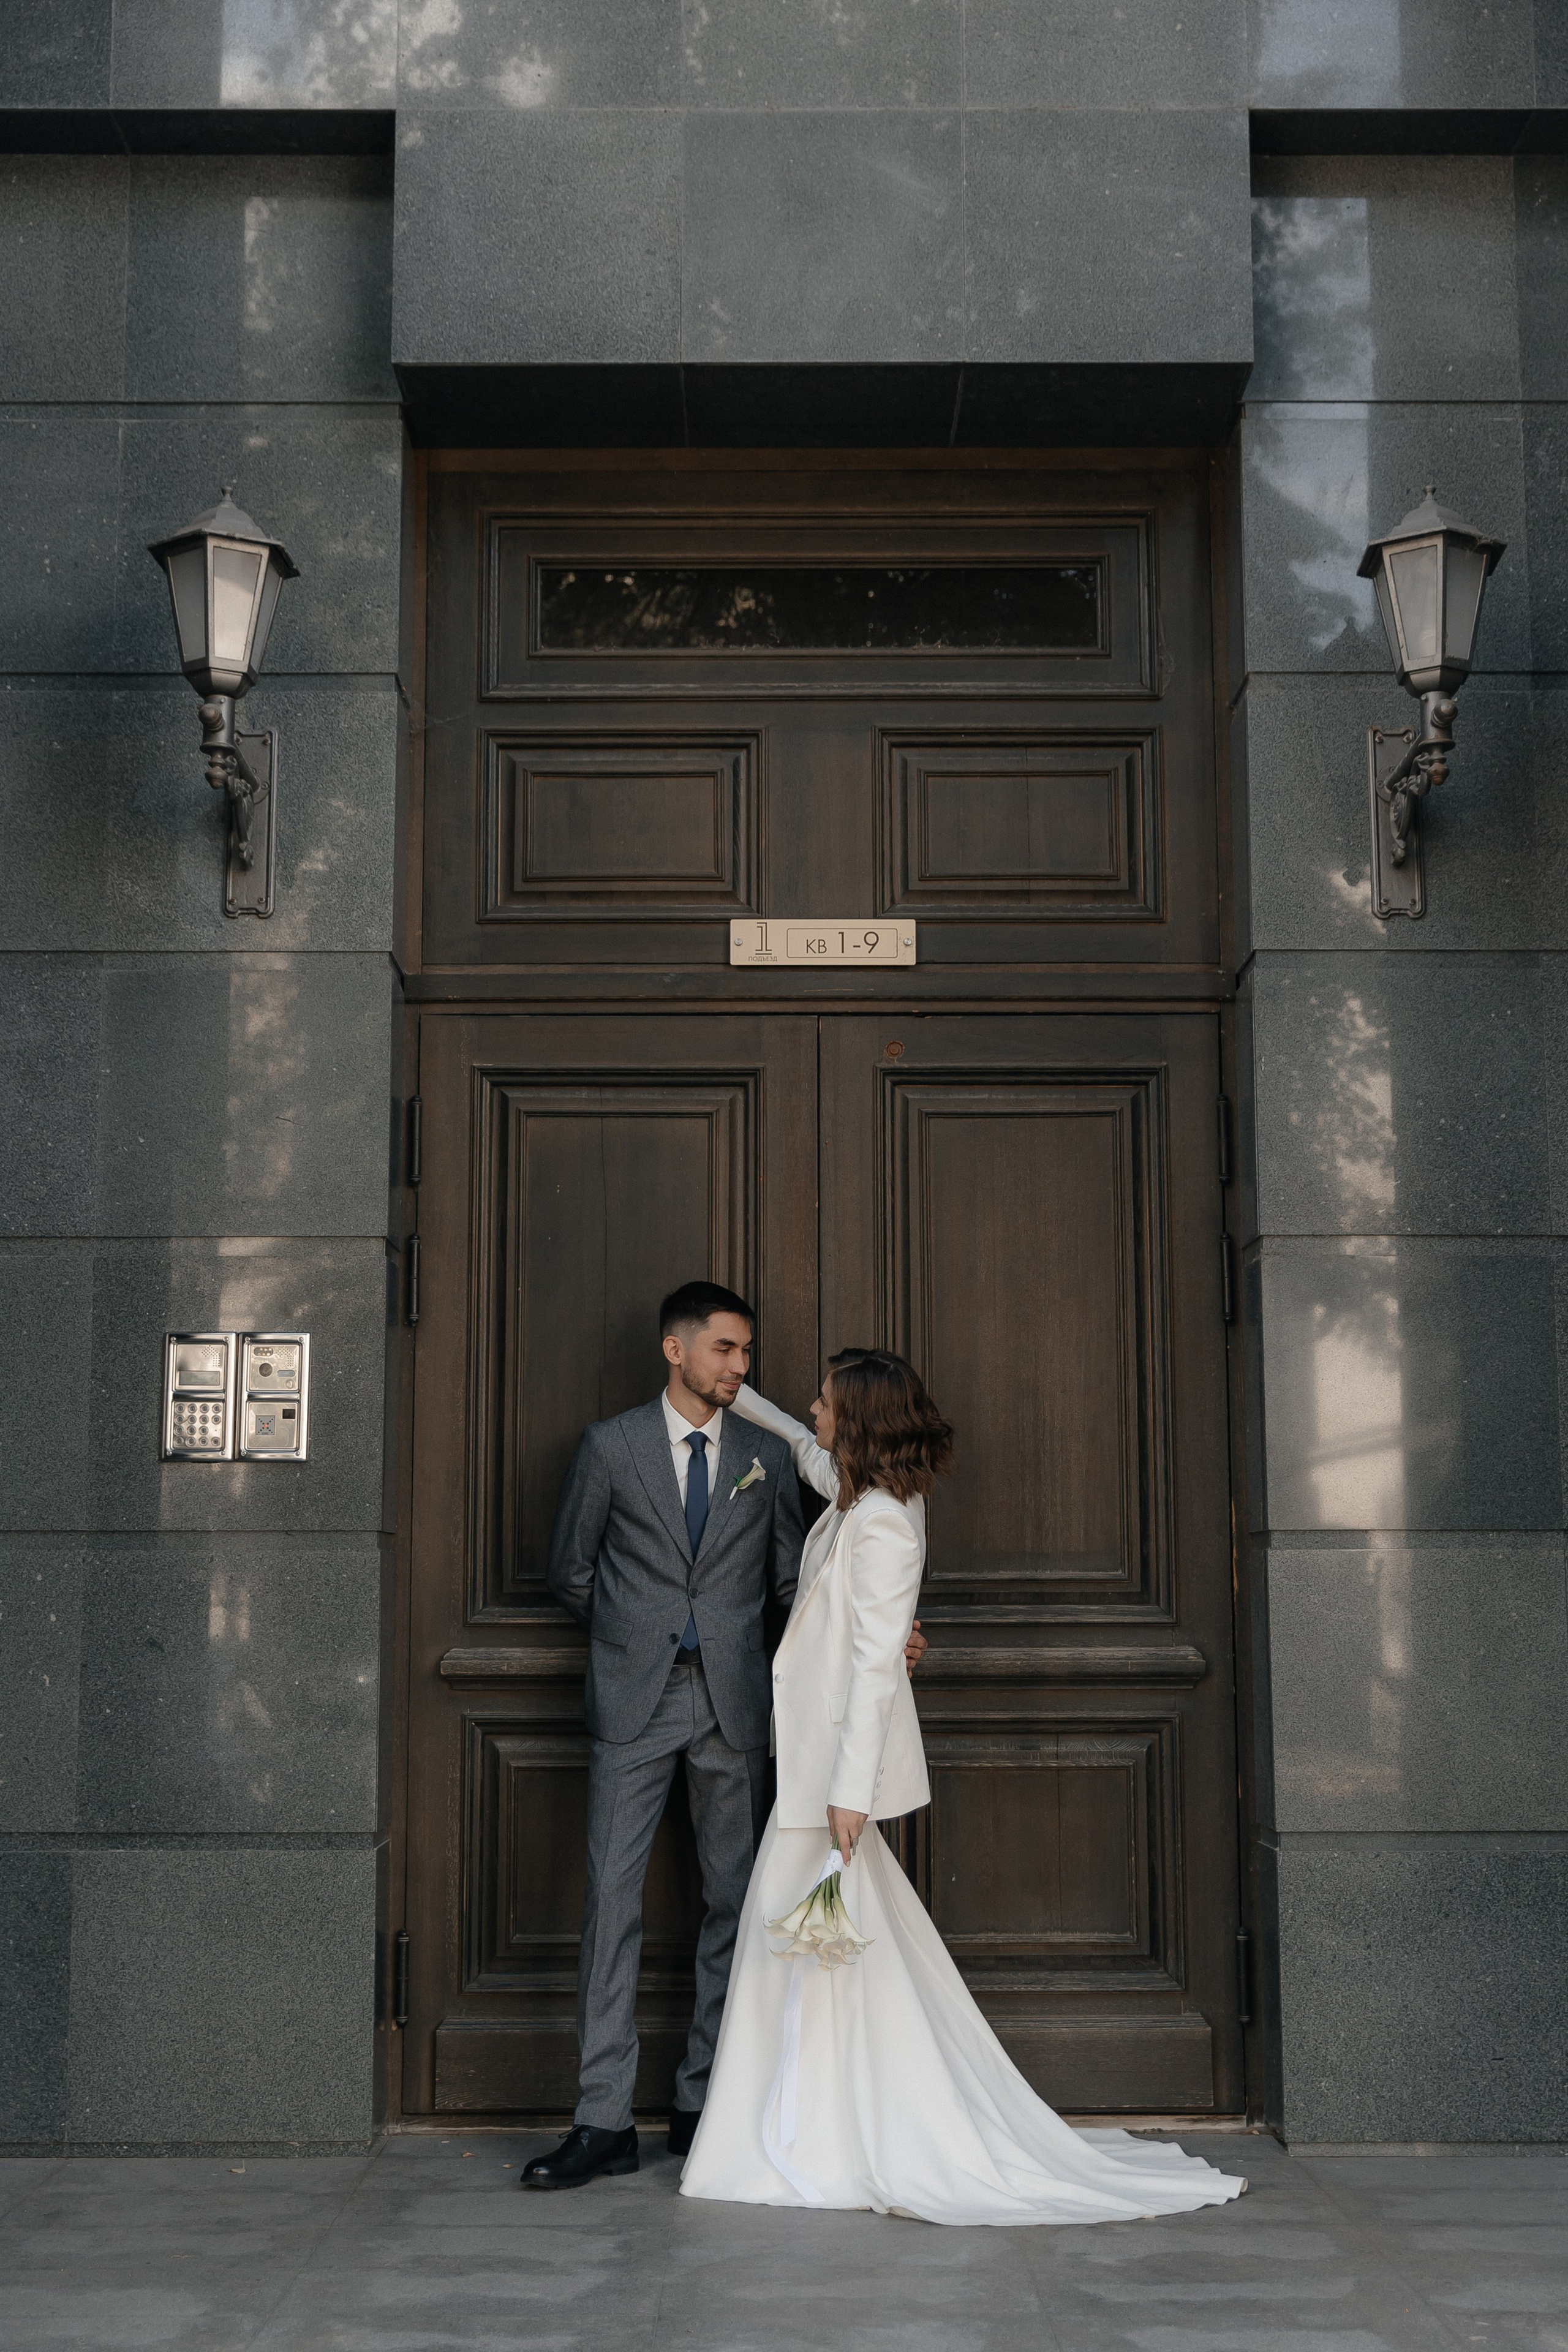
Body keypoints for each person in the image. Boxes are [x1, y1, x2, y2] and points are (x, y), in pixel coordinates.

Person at [680, 1350, 1248, 2225]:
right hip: (812, 1766)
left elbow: (874, 1667)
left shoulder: (886, 1525)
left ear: (859, 1421)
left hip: (829, 1773)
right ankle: (805, 2125)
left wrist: (850, 1793)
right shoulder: (852, 1491)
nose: (813, 1409)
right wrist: (734, 1393)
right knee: (825, 1954)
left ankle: (814, 2136)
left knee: (800, 1949)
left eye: (826, 1402)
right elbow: (797, 1443)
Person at [521, 1283, 925, 2192]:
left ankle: (708, 2104)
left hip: (740, 1709)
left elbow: (800, 1580)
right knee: (611, 1907)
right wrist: (641, 1639)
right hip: (634, 1705)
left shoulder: (766, 1455)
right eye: (726, 1351)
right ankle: (601, 2120)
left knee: (733, 1911)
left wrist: (889, 1627)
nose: (741, 1369)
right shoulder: (610, 1447)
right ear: (677, 1350)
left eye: (748, 1353)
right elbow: (571, 1574)